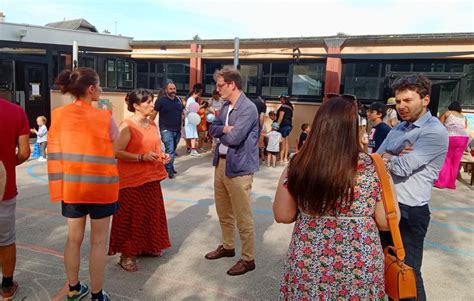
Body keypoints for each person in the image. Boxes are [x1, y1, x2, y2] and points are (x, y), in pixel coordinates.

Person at [274, 96, 397, 299]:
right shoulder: (374, 166)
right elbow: (385, 222)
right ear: (354, 128)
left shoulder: (298, 163)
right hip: (360, 264)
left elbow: (283, 214)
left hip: (309, 261)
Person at [49, 68, 120, 301]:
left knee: (73, 239)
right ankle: (98, 295)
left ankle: (73, 288)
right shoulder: (104, 116)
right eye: (98, 85)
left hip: (72, 188)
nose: (100, 89)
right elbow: (115, 146)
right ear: (91, 89)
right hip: (101, 189)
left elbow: (55, 150)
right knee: (98, 242)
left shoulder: (58, 115)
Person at [377, 75, 448, 301]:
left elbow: (403, 167)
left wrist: (388, 158)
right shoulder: (399, 128)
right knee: (386, 270)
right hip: (385, 206)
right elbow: (375, 158)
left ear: (425, 99)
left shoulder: (434, 131)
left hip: (409, 212)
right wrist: (391, 156)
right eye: (398, 102)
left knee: (407, 274)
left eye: (408, 100)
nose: (401, 107)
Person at [108, 89, 171, 272]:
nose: (152, 105)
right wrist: (141, 157)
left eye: (152, 101)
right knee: (130, 218)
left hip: (151, 178)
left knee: (150, 215)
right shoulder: (127, 126)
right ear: (135, 106)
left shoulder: (152, 124)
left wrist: (162, 156)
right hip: (131, 181)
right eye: (148, 102)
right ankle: (127, 255)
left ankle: (146, 246)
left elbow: (155, 148)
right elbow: (116, 152)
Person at [206, 67, 259, 276]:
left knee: (242, 215)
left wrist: (224, 132)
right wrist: (224, 129)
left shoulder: (248, 108)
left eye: (220, 85)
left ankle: (248, 259)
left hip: (239, 168)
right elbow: (213, 129)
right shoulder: (226, 106)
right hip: (221, 164)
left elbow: (235, 139)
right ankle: (228, 247)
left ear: (232, 84)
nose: (217, 90)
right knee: (223, 211)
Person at [0, 98, 31, 300]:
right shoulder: (15, 111)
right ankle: (7, 285)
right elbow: (25, 152)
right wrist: (9, 165)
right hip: (3, 187)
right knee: (6, 239)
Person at [151, 82, 183, 179]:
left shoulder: (178, 100)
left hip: (177, 130)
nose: (173, 91)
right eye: (171, 89)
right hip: (166, 129)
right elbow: (154, 113)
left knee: (172, 150)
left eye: (174, 88)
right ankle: (169, 170)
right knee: (170, 150)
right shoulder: (161, 101)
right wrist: (149, 124)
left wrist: (182, 126)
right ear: (166, 90)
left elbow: (181, 114)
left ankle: (169, 166)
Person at [435, 101, 469, 189]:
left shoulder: (447, 113)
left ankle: (441, 182)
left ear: (450, 106)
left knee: (446, 159)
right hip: (463, 138)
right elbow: (464, 127)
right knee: (456, 161)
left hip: (451, 137)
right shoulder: (463, 117)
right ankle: (451, 183)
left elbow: (438, 125)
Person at [184, 86, 203, 157]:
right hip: (190, 118)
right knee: (192, 135)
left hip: (191, 118)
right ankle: (193, 149)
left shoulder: (191, 99)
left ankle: (191, 148)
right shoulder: (191, 99)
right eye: (199, 93)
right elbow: (190, 109)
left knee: (192, 134)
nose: (199, 95)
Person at [276, 92, 293, 164]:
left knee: (282, 142)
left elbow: (280, 118)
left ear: (283, 98)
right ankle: (285, 158)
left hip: (283, 126)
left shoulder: (283, 107)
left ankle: (281, 159)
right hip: (289, 125)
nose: (280, 100)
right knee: (286, 141)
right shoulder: (291, 106)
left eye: (280, 98)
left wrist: (275, 126)